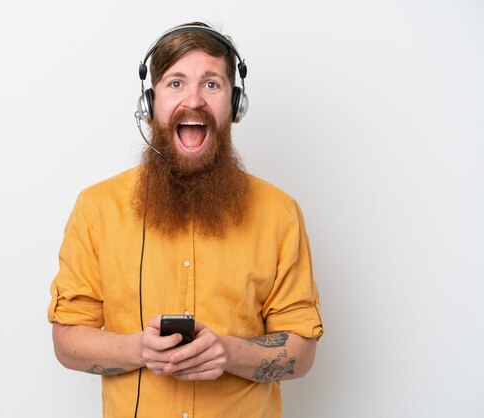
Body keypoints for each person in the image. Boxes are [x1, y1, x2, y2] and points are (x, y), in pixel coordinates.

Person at [48, 22, 323, 418]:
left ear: (235, 104)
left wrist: (229, 353)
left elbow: (302, 352)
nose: (193, 100)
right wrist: (138, 349)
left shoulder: (279, 213)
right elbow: (66, 342)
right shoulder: (96, 208)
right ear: (150, 101)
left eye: (211, 84)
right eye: (175, 83)